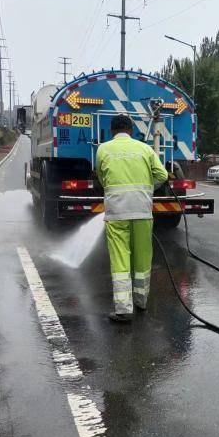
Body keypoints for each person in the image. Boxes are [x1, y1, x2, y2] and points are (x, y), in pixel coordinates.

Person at [96, 114, 168, 322]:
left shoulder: (103, 149)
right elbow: (162, 175)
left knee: (120, 259)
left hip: (116, 212)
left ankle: (123, 309)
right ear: (131, 130)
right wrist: (147, 189)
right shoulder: (145, 149)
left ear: (112, 131)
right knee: (143, 257)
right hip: (142, 211)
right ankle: (141, 301)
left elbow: (102, 177)